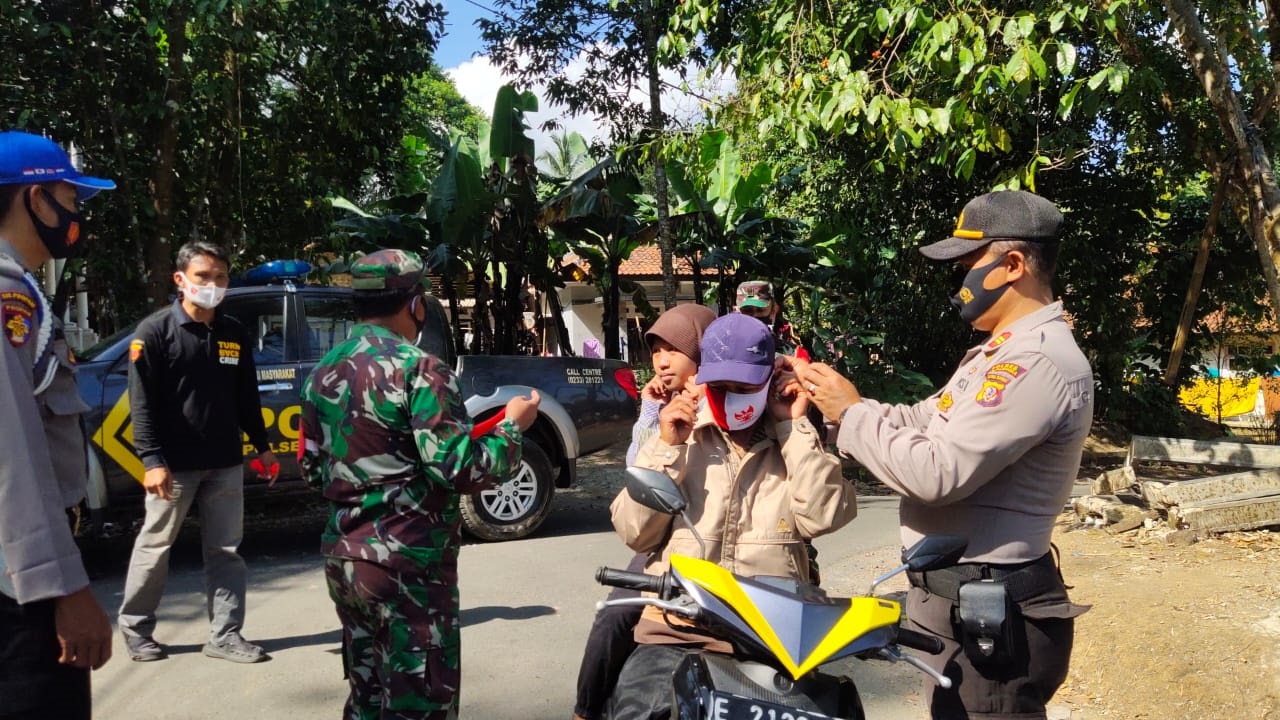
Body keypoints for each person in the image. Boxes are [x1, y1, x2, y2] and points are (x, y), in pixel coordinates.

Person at [790, 190, 1092, 720]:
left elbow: (937, 473)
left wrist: (854, 415)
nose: (960, 283)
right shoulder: (997, 354)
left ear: (1013, 264)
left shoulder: (1036, 364)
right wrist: (842, 402)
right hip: (961, 604)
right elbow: (923, 420)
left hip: (993, 615)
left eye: (968, 265)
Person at [299, 248, 540, 720]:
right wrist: (512, 427)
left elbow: (312, 470)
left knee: (367, 698)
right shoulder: (420, 369)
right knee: (420, 704)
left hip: (346, 561)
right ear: (416, 305)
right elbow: (460, 469)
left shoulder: (321, 373)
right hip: (407, 569)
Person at [606, 312, 858, 720]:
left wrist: (793, 427)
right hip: (676, 632)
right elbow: (634, 533)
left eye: (743, 387)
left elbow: (823, 515)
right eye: (719, 386)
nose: (730, 397)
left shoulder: (790, 441)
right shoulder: (681, 434)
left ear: (769, 381)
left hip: (771, 636)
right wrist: (667, 446)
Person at [117, 240, 278, 664]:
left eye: (220, 277)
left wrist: (262, 448)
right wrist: (151, 460)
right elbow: (141, 403)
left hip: (225, 462)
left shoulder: (233, 333)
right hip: (172, 467)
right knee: (155, 547)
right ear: (181, 279)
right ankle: (136, 629)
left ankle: (225, 635)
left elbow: (247, 397)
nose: (212, 284)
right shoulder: (153, 333)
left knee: (226, 551)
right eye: (203, 276)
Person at [0, 130, 115, 719]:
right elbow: (13, 461)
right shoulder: (7, 304)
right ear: (35, 198)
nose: (76, 216)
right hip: (21, 592)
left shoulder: (24, 293)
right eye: (71, 199)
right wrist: (64, 590)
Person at [572, 302, 716, 720]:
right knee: (612, 617)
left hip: (717, 545)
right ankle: (585, 711)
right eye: (656, 350)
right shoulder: (665, 404)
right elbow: (639, 470)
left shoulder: (730, 402)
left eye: (674, 349)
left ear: (704, 355)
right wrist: (650, 411)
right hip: (668, 539)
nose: (662, 360)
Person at [736, 279, 806, 359]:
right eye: (747, 310)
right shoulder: (724, 350)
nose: (754, 316)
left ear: (774, 310)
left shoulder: (795, 355)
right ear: (737, 312)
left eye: (760, 310)